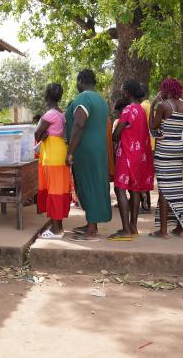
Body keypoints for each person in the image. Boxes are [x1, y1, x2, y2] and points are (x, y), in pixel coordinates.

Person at [65, 69, 112, 241]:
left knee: (88, 184)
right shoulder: (101, 100)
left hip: (85, 150)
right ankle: (91, 223)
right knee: (95, 183)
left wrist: (70, 152)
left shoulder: (83, 98)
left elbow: (79, 124)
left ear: (80, 81)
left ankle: (91, 230)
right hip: (98, 149)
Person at [111, 79, 154, 240]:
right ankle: (134, 227)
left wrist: (113, 133)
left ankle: (126, 229)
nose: (121, 93)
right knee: (135, 189)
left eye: (122, 90)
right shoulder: (141, 110)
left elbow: (116, 135)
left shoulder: (128, 110)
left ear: (127, 93)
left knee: (119, 188)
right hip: (140, 156)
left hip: (127, 154)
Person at [149, 78, 183, 238]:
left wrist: (152, 106)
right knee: (177, 187)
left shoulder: (163, 106)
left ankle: (163, 231)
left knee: (164, 189)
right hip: (178, 149)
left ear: (167, 89)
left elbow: (152, 126)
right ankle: (180, 228)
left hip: (165, 150)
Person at [35, 83, 70, 239]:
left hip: (52, 156)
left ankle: (56, 230)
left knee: (54, 191)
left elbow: (37, 134)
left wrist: (42, 135)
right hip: (61, 155)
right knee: (60, 190)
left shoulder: (49, 115)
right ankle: (59, 226)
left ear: (47, 96)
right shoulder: (62, 114)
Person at [139, 83, 154, 213]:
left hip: (145, 144)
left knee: (142, 175)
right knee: (146, 174)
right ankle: (146, 203)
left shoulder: (142, 107)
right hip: (152, 143)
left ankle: (146, 204)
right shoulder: (150, 105)